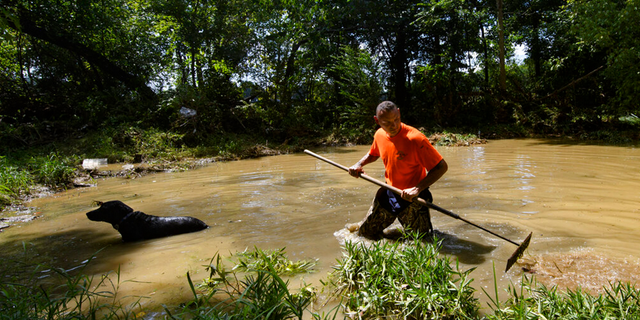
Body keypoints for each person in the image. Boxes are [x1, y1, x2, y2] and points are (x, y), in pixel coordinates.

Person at [347, 101, 448, 240]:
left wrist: (416, 189)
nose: (393, 125)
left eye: (396, 119)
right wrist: (358, 164)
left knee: (422, 242)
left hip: (414, 198)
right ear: (377, 121)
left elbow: (441, 167)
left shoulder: (415, 139)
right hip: (390, 191)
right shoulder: (379, 135)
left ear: (399, 113)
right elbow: (373, 154)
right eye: (386, 122)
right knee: (365, 234)